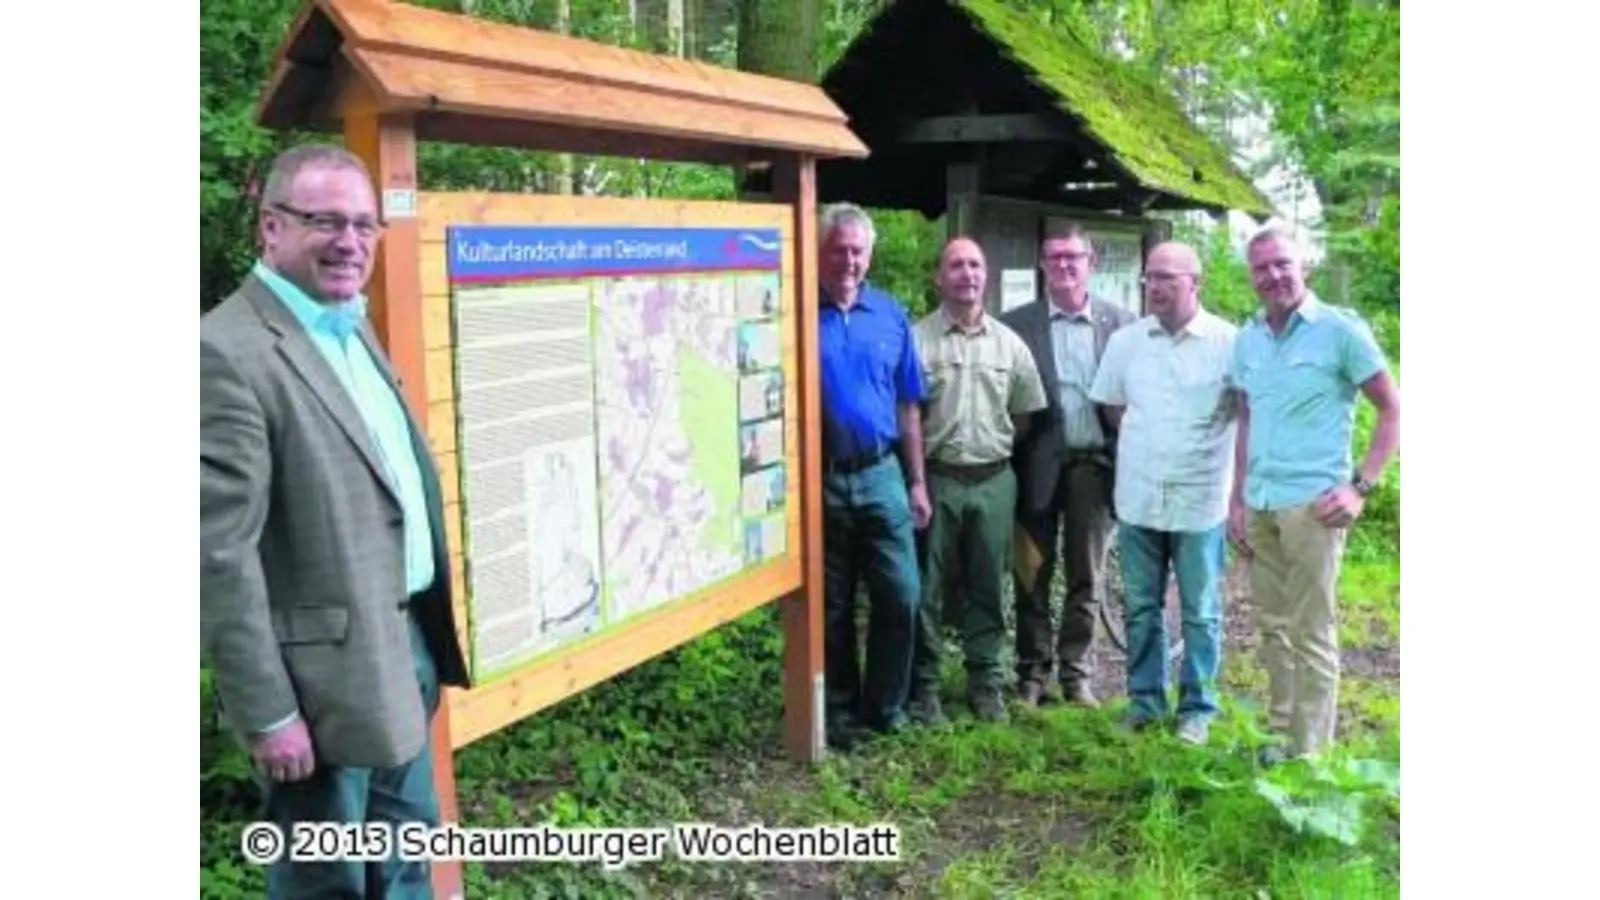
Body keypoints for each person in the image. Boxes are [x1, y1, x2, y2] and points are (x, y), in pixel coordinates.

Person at [201, 143, 471, 898]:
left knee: (406, 864)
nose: (350, 242)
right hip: (313, 690)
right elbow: (217, 555)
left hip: (401, 646)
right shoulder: (224, 352)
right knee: (329, 884)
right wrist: (268, 711)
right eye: (326, 221)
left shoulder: (343, 323)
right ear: (271, 228)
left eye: (364, 224)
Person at [1227, 225, 1400, 763]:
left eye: (1283, 264)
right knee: (1272, 628)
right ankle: (1279, 741)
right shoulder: (1248, 338)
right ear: (1251, 276)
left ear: (1305, 266)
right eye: (1262, 268)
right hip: (1260, 504)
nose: (1274, 275)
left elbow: (1393, 410)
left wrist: (1361, 486)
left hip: (1314, 508)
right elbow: (1247, 418)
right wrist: (1236, 497)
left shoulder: (1339, 332)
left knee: (1313, 630)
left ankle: (1312, 758)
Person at [1088, 241, 1238, 744]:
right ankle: (1146, 701)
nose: (1154, 286)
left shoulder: (1228, 343)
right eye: (1150, 277)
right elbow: (1112, 406)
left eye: (1167, 278)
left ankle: (1197, 708)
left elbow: (1245, 412)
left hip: (1201, 500)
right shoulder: (1127, 342)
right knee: (1141, 606)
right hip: (1139, 496)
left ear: (1195, 282)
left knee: (1200, 610)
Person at [910, 237, 1048, 724]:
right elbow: (904, 414)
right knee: (926, 587)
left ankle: (985, 682)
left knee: (990, 583)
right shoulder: (917, 340)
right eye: (955, 265)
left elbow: (1026, 415)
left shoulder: (1010, 345)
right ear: (939, 277)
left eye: (974, 264)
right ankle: (923, 685)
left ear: (985, 275)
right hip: (937, 478)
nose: (966, 273)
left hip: (993, 480)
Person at [1001, 221, 1135, 707]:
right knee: (1031, 570)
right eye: (1054, 257)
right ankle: (1031, 675)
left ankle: (1076, 673)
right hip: (1033, 466)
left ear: (1090, 263)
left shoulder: (1121, 325)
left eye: (1072, 257)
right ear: (1042, 264)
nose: (1063, 265)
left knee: (1088, 574)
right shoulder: (1016, 325)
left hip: (1094, 468)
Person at [816, 201, 930, 749]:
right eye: (839, 249)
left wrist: (917, 481)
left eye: (858, 250)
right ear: (820, 251)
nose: (849, 261)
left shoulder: (890, 315)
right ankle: (838, 711)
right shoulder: (796, 312)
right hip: (823, 478)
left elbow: (910, 405)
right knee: (832, 603)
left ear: (870, 254)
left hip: (883, 473)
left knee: (901, 594)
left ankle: (884, 707)